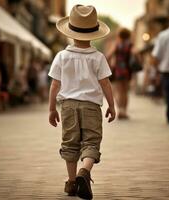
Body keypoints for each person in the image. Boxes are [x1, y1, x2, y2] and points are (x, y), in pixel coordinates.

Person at [48, 5, 116, 199]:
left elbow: (54, 85)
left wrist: (52, 109)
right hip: (91, 107)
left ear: (70, 33)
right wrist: (112, 105)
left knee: (70, 144)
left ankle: (71, 183)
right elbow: (106, 84)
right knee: (91, 142)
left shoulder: (62, 56)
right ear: (94, 33)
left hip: (68, 106)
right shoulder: (98, 57)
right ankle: (84, 171)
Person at [107, 28, 132, 119]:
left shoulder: (117, 45)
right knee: (125, 92)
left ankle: (120, 110)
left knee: (118, 91)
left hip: (118, 70)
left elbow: (108, 56)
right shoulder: (130, 45)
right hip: (127, 70)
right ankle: (124, 111)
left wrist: (110, 66)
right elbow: (136, 54)